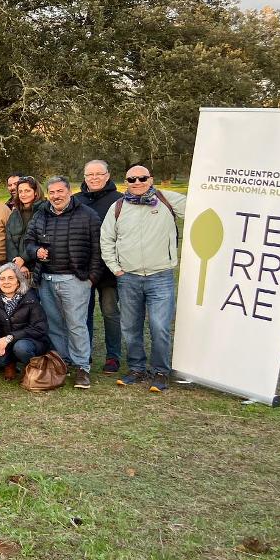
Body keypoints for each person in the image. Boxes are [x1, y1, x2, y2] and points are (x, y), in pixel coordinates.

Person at [102, 165, 187, 393]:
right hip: (128, 277)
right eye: (132, 179)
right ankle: (137, 369)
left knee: (160, 326)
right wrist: (115, 267)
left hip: (160, 276)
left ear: (151, 179)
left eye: (142, 178)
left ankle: (160, 371)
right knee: (130, 327)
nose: (137, 182)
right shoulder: (118, 207)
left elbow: (199, 211)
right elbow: (107, 239)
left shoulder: (166, 200)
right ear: (126, 181)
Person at [26, 176, 104, 389]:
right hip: (47, 279)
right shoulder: (41, 214)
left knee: (76, 324)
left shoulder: (88, 215)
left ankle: (82, 367)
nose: (56, 196)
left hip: (75, 279)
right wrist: (35, 251)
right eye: (52, 192)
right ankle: (63, 361)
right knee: (55, 324)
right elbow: (29, 241)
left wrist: (92, 278)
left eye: (60, 191)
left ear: (70, 191)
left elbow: (99, 249)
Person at [77, 160, 124, 374]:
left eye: (99, 173)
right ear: (84, 177)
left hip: (109, 270)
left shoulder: (119, 201)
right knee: (83, 314)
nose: (94, 178)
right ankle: (83, 354)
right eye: (90, 174)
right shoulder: (76, 200)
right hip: (83, 270)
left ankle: (113, 356)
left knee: (110, 313)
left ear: (107, 175)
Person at [0, 263, 50, 380]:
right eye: (2, 279)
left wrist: (10, 338)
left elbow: (39, 328)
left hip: (31, 342)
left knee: (21, 348)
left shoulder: (30, 298)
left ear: (18, 281)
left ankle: (31, 366)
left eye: (10, 278)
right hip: (6, 343)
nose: (6, 282)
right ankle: (10, 363)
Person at [5, 177, 46, 280]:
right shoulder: (15, 213)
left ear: (36, 192)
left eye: (27, 191)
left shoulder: (44, 211)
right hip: (18, 266)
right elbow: (9, 239)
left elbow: (39, 238)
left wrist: (23, 259)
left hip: (37, 266)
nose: (23, 194)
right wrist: (18, 264)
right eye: (20, 191)